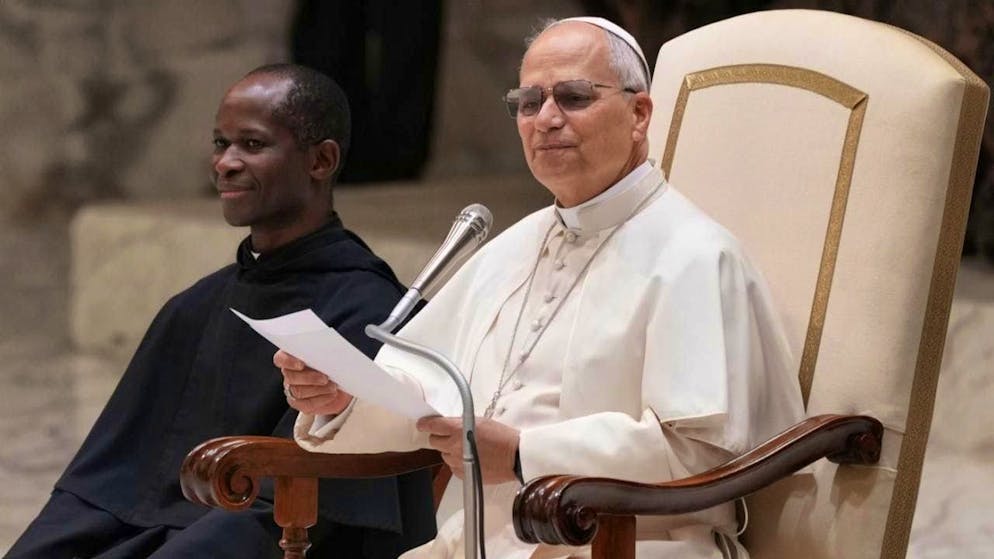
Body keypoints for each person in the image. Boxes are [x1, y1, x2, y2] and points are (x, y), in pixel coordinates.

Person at [278, 18, 805, 559]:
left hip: (635, 544)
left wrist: (528, 454)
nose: (547, 119)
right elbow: (427, 396)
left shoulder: (696, 256)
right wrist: (343, 397)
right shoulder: (514, 246)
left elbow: (703, 450)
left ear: (639, 114)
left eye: (573, 97)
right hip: (485, 540)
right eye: (529, 103)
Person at [6, 64, 435, 559]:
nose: (224, 164)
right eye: (220, 143)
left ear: (321, 160)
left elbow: (294, 513)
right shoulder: (195, 306)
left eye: (251, 145)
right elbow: (100, 488)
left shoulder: (374, 311)